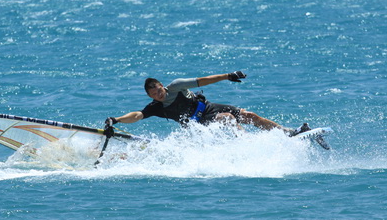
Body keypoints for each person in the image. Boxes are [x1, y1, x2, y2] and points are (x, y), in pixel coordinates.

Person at [105, 71, 309, 136]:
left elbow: (203, 81)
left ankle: (289, 132)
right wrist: (116, 120)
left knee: (250, 116)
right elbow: (137, 116)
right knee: (228, 119)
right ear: (150, 97)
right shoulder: (156, 107)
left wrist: (228, 76)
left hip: (209, 108)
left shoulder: (176, 86)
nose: (158, 94)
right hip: (197, 122)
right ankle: (249, 147)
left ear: (162, 86)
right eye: (153, 94)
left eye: (158, 89)